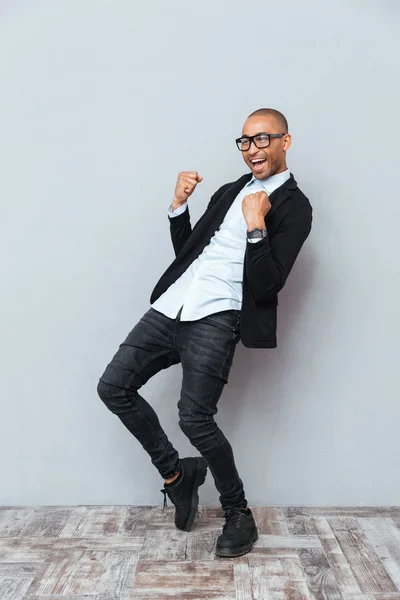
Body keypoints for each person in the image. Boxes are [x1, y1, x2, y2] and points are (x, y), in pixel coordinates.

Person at [97, 107, 313, 558]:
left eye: (263, 139)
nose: (253, 149)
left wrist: (257, 227)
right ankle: (178, 476)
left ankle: (239, 515)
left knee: (194, 418)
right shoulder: (230, 189)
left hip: (218, 315)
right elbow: (191, 252)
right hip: (173, 303)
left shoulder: (295, 206)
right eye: (246, 141)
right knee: (113, 386)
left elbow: (269, 282)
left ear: (285, 142)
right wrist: (179, 207)